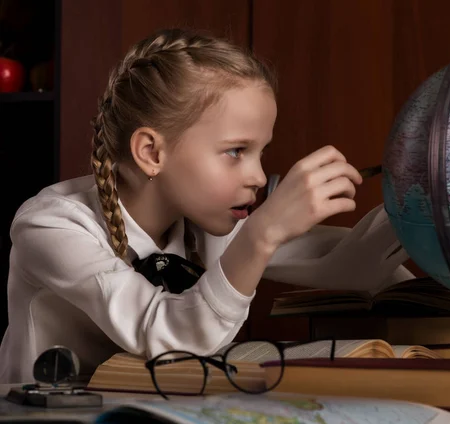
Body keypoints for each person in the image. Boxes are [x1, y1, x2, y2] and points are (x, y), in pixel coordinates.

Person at [0, 28, 413, 383]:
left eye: (261, 153)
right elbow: (166, 335)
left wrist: (413, 197)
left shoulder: (207, 222)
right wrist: (263, 233)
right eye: (236, 151)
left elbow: (343, 262)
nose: (256, 175)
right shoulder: (52, 226)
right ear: (151, 152)